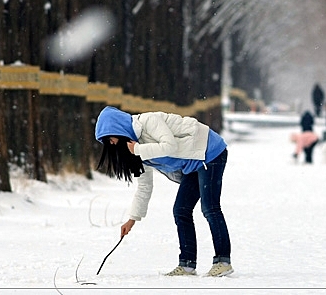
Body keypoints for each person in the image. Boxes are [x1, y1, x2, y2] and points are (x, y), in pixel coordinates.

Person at [94, 106, 233, 277]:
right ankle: (187, 265)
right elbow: (144, 186)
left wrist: (138, 149)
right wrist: (132, 219)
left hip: (209, 152)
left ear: (118, 128)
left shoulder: (148, 121)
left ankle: (223, 261)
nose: (111, 144)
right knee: (181, 210)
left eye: (110, 139)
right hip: (192, 164)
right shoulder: (135, 150)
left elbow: (169, 146)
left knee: (210, 207)